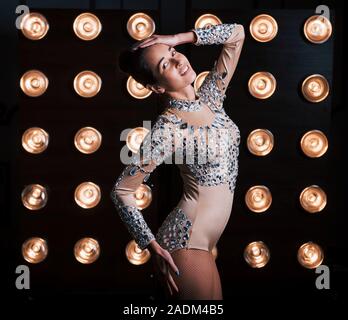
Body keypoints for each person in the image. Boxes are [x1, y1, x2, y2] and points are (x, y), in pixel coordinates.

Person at [111, 22, 245, 300]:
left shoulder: (211, 98)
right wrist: (150, 244)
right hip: (185, 242)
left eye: (173, 52)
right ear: (156, 88)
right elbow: (121, 191)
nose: (177, 60)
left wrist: (179, 37)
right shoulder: (168, 127)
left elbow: (237, 34)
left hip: (204, 244)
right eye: (164, 65)